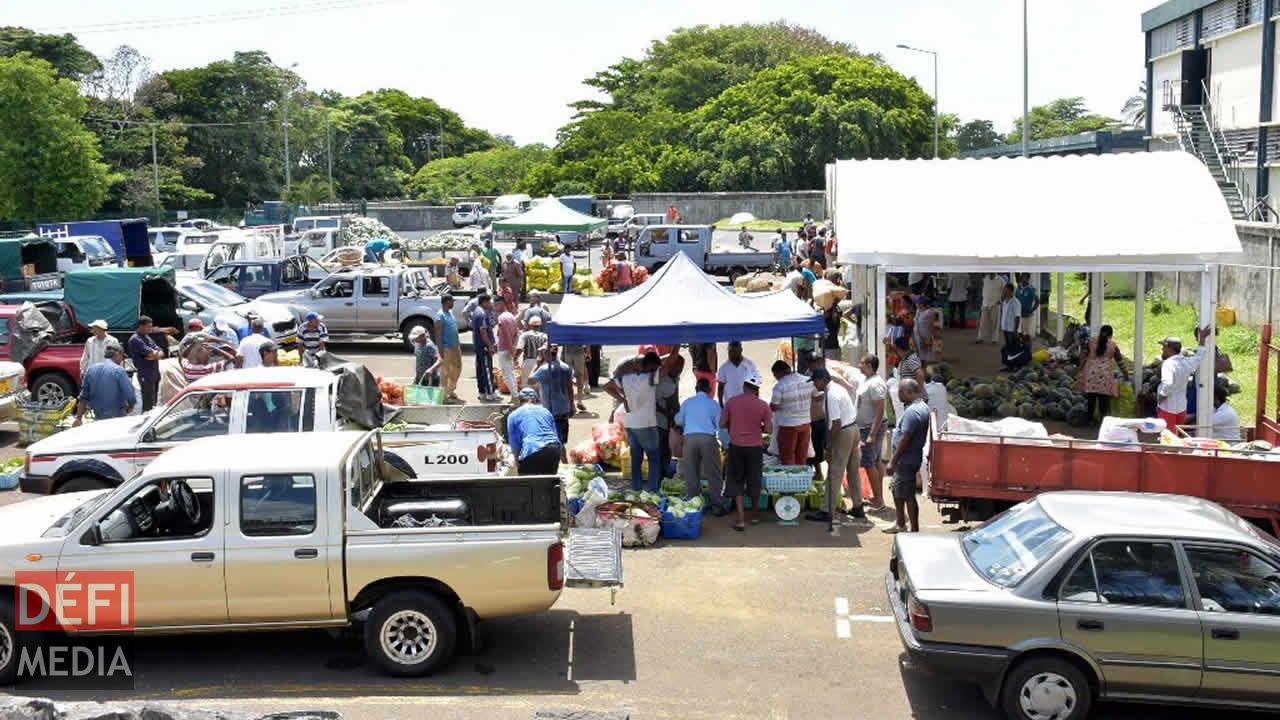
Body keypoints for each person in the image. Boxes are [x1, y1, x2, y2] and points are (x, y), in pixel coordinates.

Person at [805, 368, 867, 523]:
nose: (814, 384)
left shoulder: (831, 395)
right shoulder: (839, 388)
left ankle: (827, 510)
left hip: (844, 432)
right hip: (853, 429)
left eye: (815, 381)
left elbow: (836, 424)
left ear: (822, 380)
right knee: (853, 472)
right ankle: (858, 506)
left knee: (834, 472)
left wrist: (830, 446)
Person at [605, 351, 663, 491]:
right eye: (654, 366)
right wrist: (675, 346)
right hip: (647, 425)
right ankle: (652, 491)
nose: (656, 369)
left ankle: (636, 489)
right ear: (649, 365)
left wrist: (622, 399)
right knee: (654, 459)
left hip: (630, 424)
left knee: (636, 459)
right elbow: (669, 362)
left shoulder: (626, 377)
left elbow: (606, 386)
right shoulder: (651, 377)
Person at [721, 372, 772, 532]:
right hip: (755, 447)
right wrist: (758, 426)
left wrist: (735, 425)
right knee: (754, 480)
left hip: (736, 446)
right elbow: (769, 430)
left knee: (737, 481)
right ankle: (755, 515)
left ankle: (741, 520)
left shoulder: (731, 402)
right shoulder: (763, 405)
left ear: (744, 387)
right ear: (756, 389)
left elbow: (722, 424)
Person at [674, 377, 725, 514]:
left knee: (691, 473)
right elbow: (720, 425)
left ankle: (694, 505)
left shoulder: (687, 403)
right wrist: (725, 443)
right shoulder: (713, 404)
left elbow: (678, 420)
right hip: (708, 439)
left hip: (689, 439)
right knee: (713, 473)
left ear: (696, 389)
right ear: (709, 390)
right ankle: (717, 506)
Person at [885, 378, 928, 534]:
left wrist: (892, 461)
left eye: (901, 392)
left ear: (910, 392)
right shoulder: (920, 407)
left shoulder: (912, 412)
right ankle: (900, 523)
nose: (898, 395)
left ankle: (914, 530)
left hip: (906, 460)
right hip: (909, 458)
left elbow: (906, 437)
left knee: (908, 495)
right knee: (898, 490)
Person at [854, 355, 889, 510]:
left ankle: (879, 500)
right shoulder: (866, 380)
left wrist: (872, 435)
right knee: (875, 461)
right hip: (866, 427)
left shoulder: (876, 384)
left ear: (868, 365)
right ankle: (877, 496)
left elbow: (879, 411)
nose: (859, 365)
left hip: (871, 427)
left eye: (861, 363)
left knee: (870, 462)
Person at [530, 344, 576, 462]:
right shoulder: (566, 367)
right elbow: (570, 388)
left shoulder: (544, 368)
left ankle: (558, 465)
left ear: (547, 353)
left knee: (551, 440)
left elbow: (530, 380)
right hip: (564, 408)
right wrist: (572, 405)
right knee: (560, 441)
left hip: (550, 410)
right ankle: (563, 463)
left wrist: (537, 363)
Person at [1157, 329, 1210, 428]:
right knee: (1177, 434)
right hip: (1181, 408)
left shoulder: (1168, 364)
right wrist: (1202, 339)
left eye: (1163, 347)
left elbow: (1168, 383)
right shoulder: (1186, 362)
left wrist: (1160, 399)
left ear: (1169, 349)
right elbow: (1199, 356)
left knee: (1168, 437)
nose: (1162, 350)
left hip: (1168, 408)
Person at [1077, 324, 1127, 422]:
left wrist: (1080, 369)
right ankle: (1103, 422)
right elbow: (1120, 362)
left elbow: (1083, 356)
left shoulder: (1090, 341)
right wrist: (1126, 374)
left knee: (1091, 399)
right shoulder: (1113, 345)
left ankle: (1089, 420)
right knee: (1103, 401)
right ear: (1111, 335)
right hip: (1105, 375)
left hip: (1090, 373)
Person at [507, 388, 562, 475]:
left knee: (529, 485)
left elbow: (515, 445)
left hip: (532, 449)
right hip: (554, 449)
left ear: (519, 400)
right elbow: (555, 436)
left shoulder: (513, 416)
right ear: (536, 399)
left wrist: (518, 465)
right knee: (549, 484)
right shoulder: (546, 411)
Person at [73, 346, 133, 425]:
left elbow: (83, 396)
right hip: (117, 415)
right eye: (122, 357)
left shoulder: (91, 369)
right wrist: (130, 407)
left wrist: (78, 418)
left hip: (98, 415)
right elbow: (130, 394)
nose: (122, 360)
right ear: (117, 354)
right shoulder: (119, 370)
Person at [770, 361, 812, 466]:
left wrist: (783, 406)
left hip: (788, 425)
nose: (776, 378)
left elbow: (774, 406)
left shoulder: (780, 386)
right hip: (805, 424)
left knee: (787, 457)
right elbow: (818, 396)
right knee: (802, 455)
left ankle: (791, 480)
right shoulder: (807, 380)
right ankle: (801, 480)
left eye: (775, 375)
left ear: (779, 372)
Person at [655, 353, 683, 478]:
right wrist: (667, 413)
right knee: (661, 450)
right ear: (671, 366)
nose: (680, 370)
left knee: (667, 450)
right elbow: (653, 403)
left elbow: (675, 399)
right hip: (659, 421)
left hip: (669, 420)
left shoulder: (675, 378)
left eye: (682, 367)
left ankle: (664, 473)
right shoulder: (662, 382)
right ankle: (659, 476)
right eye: (679, 367)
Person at [127, 315, 164, 412]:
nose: (150, 329)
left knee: (153, 403)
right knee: (148, 404)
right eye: (148, 326)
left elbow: (161, 352)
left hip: (154, 374)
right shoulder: (136, 339)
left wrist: (156, 355)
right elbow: (151, 352)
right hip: (145, 375)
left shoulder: (147, 337)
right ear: (141, 326)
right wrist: (155, 354)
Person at [435, 295, 463, 403]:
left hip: (455, 346)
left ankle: (450, 390)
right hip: (446, 348)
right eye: (452, 301)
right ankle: (443, 396)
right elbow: (438, 334)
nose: (453, 303)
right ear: (446, 302)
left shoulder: (450, 313)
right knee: (445, 372)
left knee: (457, 368)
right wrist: (440, 350)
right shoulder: (439, 316)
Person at [716, 340, 759, 405]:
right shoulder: (723, 368)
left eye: (734, 351)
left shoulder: (750, 365)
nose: (731, 354)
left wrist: (756, 402)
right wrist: (721, 404)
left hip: (747, 403)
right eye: (729, 351)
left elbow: (755, 384)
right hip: (730, 405)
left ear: (741, 350)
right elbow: (720, 388)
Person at [471, 295, 497, 402]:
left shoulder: (476, 311)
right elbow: (483, 331)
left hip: (478, 346)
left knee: (480, 370)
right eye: (490, 302)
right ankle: (490, 393)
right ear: (484, 302)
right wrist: (490, 346)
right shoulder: (482, 314)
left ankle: (482, 392)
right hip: (484, 347)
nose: (491, 304)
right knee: (487, 370)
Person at [514, 316, 548, 391]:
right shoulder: (545, 336)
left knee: (526, 384)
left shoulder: (525, 335)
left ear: (530, 325)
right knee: (539, 385)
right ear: (540, 325)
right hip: (541, 362)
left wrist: (514, 359)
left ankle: (527, 400)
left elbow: (519, 348)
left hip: (528, 361)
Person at [494, 297, 519, 397]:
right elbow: (516, 333)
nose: (494, 308)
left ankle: (515, 397)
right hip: (510, 347)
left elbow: (506, 334)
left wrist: (510, 349)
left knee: (506, 374)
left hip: (504, 349)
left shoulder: (501, 318)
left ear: (501, 304)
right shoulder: (511, 316)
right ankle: (515, 394)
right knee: (511, 373)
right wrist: (513, 347)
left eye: (495, 305)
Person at [977, 273, 1005, 344]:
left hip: (995, 304)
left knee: (995, 323)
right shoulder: (985, 278)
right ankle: (980, 338)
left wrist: (1001, 301)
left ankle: (994, 339)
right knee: (983, 321)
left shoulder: (1001, 280)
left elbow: (1005, 291)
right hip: (985, 303)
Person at [999, 282, 1021, 367]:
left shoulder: (1016, 302)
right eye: (1004, 290)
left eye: (1005, 290)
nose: (1004, 291)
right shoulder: (1004, 301)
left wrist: (1015, 330)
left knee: (1013, 348)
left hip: (1012, 329)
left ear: (1010, 291)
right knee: (1008, 347)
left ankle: (1015, 365)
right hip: (1005, 328)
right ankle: (1009, 365)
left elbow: (1017, 317)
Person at [563, 344, 590, 412]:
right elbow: (587, 339)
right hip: (579, 352)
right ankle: (579, 401)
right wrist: (588, 352)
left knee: (567, 376)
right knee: (579, 376)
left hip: (568, 352)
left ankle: (570, 403)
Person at [912, 296, 938, 364]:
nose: (916, 304)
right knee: (919, 351)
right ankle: (921, 364)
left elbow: (931, 325)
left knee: (926, 351)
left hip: (925, 334)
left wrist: (929, 337)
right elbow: (915, 322)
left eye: (917, 303)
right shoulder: (918, 311)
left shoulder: (929, 312)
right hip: (917, 334)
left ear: (922, 304)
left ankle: (926, 366)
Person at [1014, 273, 1039, 343]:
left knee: (1027, 335)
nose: (1022, 279)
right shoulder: (1018, 289)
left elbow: (1037, 301)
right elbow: (1015, 300)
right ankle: (1022, 351)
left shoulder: (1031, 289)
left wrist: (1031, 310)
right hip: (1019, 315)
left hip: (1027, 316)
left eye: (1024, 277)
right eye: (1022, 277)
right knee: (1019, 334)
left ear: (1028, 278)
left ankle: (1028, 351)